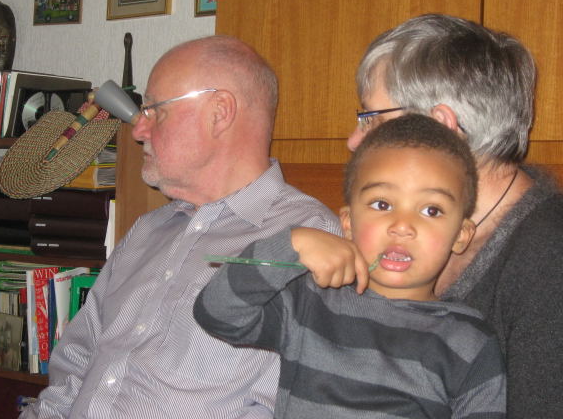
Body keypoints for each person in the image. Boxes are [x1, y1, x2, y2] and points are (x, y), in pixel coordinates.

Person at [20, 35, 342, 418]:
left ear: (220, 112)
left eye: (156, 110)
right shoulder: (147, 230)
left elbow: (287, 406)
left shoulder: (312, 241)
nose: (139, 130)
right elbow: (75, 365)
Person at [311, 13, 562, 418]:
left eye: (372, 119)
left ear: (441, 128)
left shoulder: (550, 259)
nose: (354, 141)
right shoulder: (393, 227)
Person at [194, 114, 506, 418]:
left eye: (431, 210)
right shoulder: (309, 300)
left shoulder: (470, 342)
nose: (402, 226)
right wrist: (291, 244)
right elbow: (217, 313)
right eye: (382, 204)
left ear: (461, 235)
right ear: (348, 223)